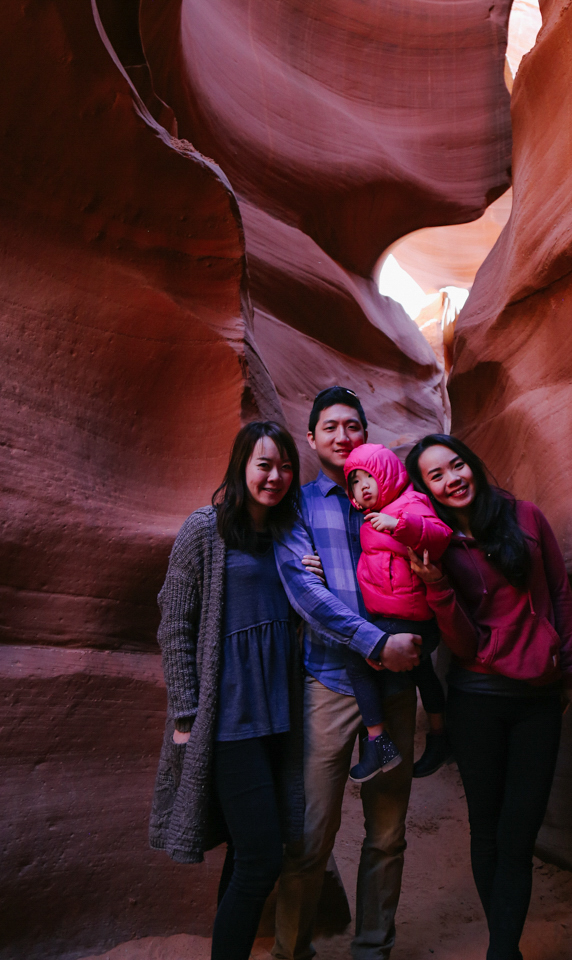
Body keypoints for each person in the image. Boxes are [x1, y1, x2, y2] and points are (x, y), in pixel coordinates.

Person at [272, 387, 446, 960]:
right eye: (331, 428)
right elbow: (305, 590)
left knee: (388, 832)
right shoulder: (297, 505)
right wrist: (377, 642)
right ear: (312, 437)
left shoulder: (396, 495)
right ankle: (291, 950)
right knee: (311, 832)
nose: (343, 437)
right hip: (330, 679)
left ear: (366, 434)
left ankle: (373, 948)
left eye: (353, 426)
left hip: (396, 682)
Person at [404, 434, 572, 960]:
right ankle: (504, 950)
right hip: (477, 699)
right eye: (436, 476)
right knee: (487, 827)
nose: (451, 479)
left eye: (456, 465)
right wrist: (437, 585)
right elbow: (461, 643)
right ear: (426, 490)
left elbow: (559, 594)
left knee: (519, 832)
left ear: (473, 465)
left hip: (538, 697)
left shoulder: (526, 516)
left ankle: (501, 949)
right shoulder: (434, 546)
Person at [149, 421, 309, 960]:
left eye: (286, 467)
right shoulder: (205, 529)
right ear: (242, 466)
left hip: (278, 716)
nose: (276, 476)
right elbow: (174, 622)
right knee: (262, 858)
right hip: (227, 720)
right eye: (264, 464)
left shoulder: (290, 533)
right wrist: (186, 712)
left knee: (247, 854)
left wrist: (310, 581)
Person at [341, 442, 453, 782]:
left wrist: (398, 524)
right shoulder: (367, 516)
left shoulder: (411, 503)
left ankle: (378, 741)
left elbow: (439, 536)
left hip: (411, 616)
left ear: (387, 473)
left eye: (368, 477)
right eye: (354, 481)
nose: (362, 487)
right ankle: (439, 736)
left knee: (356, 656)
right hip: (392, 614)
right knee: (422, 674)